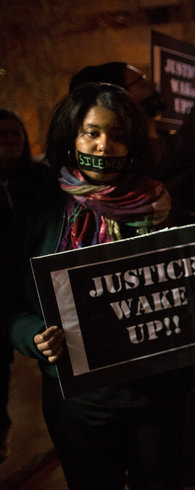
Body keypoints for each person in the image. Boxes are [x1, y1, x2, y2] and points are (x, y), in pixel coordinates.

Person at [5, 83, 189, 490]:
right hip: (78, 400)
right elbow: (7, 300)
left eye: (117, 134)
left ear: (132, 143)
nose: (104, 145)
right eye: (92, 133)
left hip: (153, 392)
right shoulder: (41, 209)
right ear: (72, 137)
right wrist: (32, 334)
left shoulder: (164, 206)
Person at [69, 61, 195, 490]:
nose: (150, 82)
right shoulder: (128, 168)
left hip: (178, 306)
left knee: (187, 391)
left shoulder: (150, 156)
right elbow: (190, 154)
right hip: (112, 374)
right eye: (137, 79)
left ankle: (185, 470)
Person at [0, 109, 49, 463]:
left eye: (15, 134)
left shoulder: (38, 179)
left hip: (30, 283)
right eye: (2, 135)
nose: (11, 141)